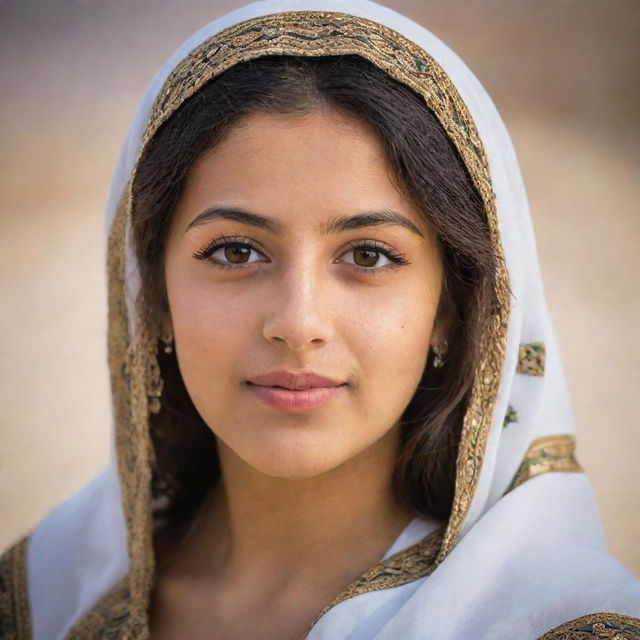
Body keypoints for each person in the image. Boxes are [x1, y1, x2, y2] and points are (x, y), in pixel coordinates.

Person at [1, 1, 639, 638]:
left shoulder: (554, 621)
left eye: (368, 255)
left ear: (451, 308)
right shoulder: (42, 600)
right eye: (236, 251)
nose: (298, 322)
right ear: (154, 296)